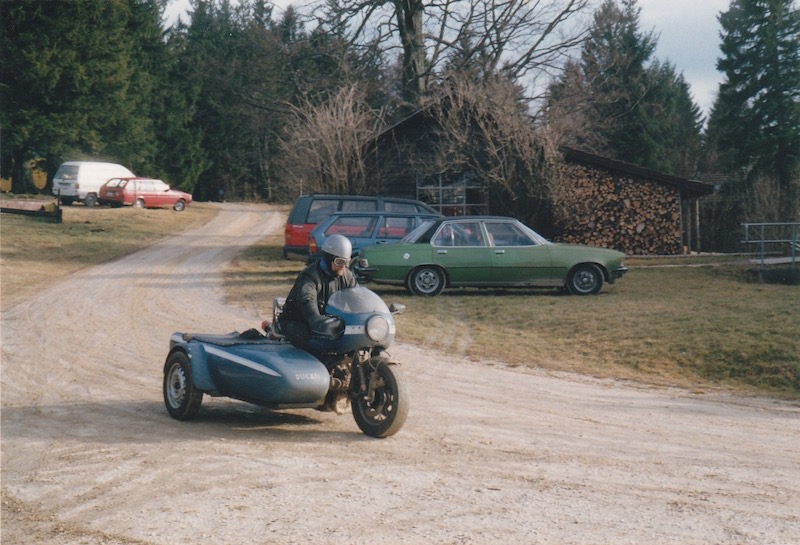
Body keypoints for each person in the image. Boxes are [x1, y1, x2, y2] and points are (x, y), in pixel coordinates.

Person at [277, 234, 357, 359]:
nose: (343, 266)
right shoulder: (310, 276)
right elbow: (307, 300)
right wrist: (315, 318)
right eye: (339, 262)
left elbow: (356, 298)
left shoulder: (347, 277)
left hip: (329, 323)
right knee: (315, 347)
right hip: (300, 322)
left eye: (346, 262)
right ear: (328, 258)